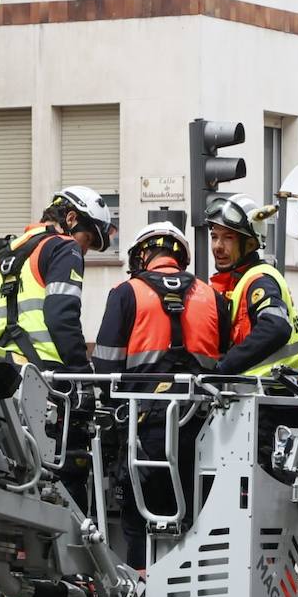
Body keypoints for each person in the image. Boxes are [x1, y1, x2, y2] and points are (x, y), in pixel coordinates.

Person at [0, 186, 115, 509]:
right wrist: (82, 377)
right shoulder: (63, 248)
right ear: (71, 219)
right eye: (88, 241)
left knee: (10, 482)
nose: (83, 251)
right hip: (44, 383)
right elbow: (61, 317)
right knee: (64, 478)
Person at [93, 222, 228, 569]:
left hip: (145, 427)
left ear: (142, 254)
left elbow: (105, 365)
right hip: (203, 428)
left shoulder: (126, 292)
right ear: (179, 257)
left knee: (140, 522)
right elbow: (228, 361)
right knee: (197, 521)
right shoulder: (213, 297)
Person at [205, 194, 298, 377]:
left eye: (228, 238)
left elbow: (276, 326)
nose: (217, 246)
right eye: (214, 236)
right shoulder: (240, 281)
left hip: (271, 395)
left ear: (251, 244)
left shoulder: (259, 279)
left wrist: (223, 368)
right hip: (262, 394)